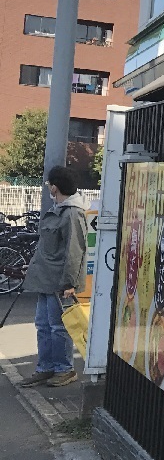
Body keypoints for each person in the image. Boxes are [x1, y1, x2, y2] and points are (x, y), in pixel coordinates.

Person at [20, 166, 88, 388]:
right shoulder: (60, 209)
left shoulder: (72, 213)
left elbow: (75, 250)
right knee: (43, 325)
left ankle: (64, 369)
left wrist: (70, 282)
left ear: (55, 186)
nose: (49, 187)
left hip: (59, 282)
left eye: (50, 184)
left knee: (58, 327)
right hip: (46, 280)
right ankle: (45, 367)